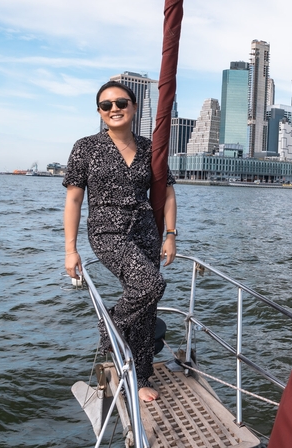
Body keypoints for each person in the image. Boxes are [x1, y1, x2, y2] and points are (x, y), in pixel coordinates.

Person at [63, 81, 177, 402]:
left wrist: (170, 235)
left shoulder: (150, 148)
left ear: (134, 107)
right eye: (106, 105)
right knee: (150, 285)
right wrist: (70, 250)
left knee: (147, 308)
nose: (114, 108)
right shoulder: (86, 147)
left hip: (145, 232)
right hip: (106, 231)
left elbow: (167, 193)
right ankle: (109, 329)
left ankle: (140, 378)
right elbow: (73, 200)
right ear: (100, 112)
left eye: (121, 102)